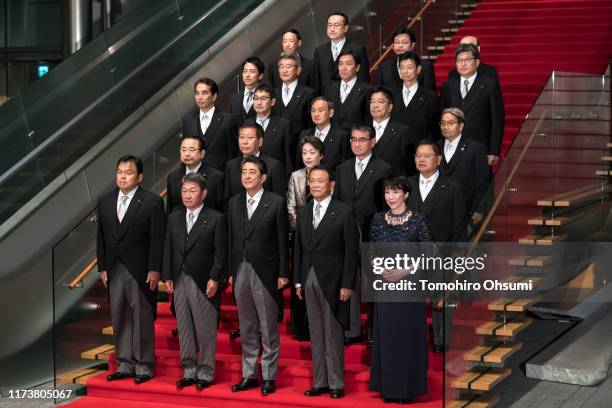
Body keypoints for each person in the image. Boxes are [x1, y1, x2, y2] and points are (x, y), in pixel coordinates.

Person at [97, 155, 165, 384]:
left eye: (128, 172)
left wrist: (155, 268)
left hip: (141, 269)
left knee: (142, 318)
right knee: (120, 317)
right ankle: (124, 363)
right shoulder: (105, 201)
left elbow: (158, 239)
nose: (123, 177)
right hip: (114, 269)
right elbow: (101, 238)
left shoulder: (152, 201)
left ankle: (144, 365)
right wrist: (102, 266)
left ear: (140, 177)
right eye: (119, 172)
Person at [294, 165, 359, 400]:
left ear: (331, 185)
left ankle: (336, 383)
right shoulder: (304, 212)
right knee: (316, 332)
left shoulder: (343, 211)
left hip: (334, 281)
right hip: (308, 278)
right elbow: (299, 250)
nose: (316, 184)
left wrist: (347, 284)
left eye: (321, 180)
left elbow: (351, 252)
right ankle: (320, 381)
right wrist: (298, 282)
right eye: (312, 180)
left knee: (332, 333)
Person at [227, 156, 289, 395]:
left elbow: (283, 241)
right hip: (241, 269)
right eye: (244, 171)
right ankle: (249, 374)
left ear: (263, 177)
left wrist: (283, 273)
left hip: (266, 271)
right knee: (247, 325)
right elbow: (232, 239)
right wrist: (232, 271)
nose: (246, 176)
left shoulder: (275, 202)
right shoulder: (234, 202)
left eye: (252, 172)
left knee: (267, 326)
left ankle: (269, 377)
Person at [368, 176, 433, 403]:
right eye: (387, 192)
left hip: (409, 287)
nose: (391, 197)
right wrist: (381, 269)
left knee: (406, 338)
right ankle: (388, 389)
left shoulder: (417, 221)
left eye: (395, 192)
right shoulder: (377, 220)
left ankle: (406, 389)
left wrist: (404, 271)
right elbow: (372, 251)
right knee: (387, 337)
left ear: (406, 194)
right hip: (385, 287)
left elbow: (430, 255)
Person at [162, 172, 227, 390]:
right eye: (184, 191)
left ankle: (206, 373)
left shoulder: (216, 218)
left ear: (204, 193)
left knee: (205, 329)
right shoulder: (174, 217)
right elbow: (168, 249)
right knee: (185, 328)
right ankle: (189, 370)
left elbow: (221, 253)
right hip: (179, 278)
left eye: (193, 191)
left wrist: (215, 278)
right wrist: (167, 276)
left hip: (203, 280)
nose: (187, 195)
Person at [407, 140, 468, 352]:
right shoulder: (406, 185)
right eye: (418, 156)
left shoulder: (453, 188)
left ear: (438, 159)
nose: (421, 159)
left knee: (440, 298)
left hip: (442, 253)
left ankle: (441, 340)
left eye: (426, 155)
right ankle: (414, 337)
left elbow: (459, 224)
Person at [334, 124, 390, 344]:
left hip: (372, 236)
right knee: (349, 282)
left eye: (362, 140)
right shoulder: (342, 168)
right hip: (347, 235)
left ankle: (374, 333)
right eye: (353, 140)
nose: (357, 144)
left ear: (372, 142)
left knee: (372, 287)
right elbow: (337, 203)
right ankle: (352, 330)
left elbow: (385, 205)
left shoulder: (383, 168)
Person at [440, 43, 505, 166]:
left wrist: (494, 151)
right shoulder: (448, 85)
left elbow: (497, 120)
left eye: (467, 60)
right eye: (459, 60)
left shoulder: (489, 85)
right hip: (451, 147)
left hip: (480, 147)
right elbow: (441, 116)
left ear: (477, 62)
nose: (463, 64)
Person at [286, 137, 325, 341]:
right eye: (304, 152)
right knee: (300, 280)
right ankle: (300, 328)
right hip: (300, 236)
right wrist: (302, 230)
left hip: (323, 238)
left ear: (321, 155)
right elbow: (291, 206)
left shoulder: (327, 175)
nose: (308, 156)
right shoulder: (296, 176)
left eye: (312, 152)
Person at [438, 108, 489, 225]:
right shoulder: (434, 147)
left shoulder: (475, 148)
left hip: (465, 210)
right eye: (443, 123)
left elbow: (483, 181)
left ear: (461, 126)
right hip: (438, 209)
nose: (445, 126)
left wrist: (479, 208)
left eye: (450, 123)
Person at [181, 77, 239, 172]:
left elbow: (232, 154)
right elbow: (183, 151)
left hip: (219, 177)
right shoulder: (188, 120)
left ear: (214, 96)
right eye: (197, 93)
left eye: (204, 93)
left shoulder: (228, 120)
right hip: (193, 177)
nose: (199, 97)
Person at [224, 121, 286, 202]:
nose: (245, 142)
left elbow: (279, 202)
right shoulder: (231, 166)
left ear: (260, 142)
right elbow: (227, 201)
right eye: (241, 137)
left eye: (249, 138)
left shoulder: (274, 166)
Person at [313, 12, 369, 95]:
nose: (332, 29)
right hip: (326, 100)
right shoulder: (320, 51)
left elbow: (363, 78)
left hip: (350, 98)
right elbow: (317, 80)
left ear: (345, 28)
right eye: (329, 25)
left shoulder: (357, 49)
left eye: (336, 25)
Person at [166, 136, 224, 213]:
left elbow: (221, 208)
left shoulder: (216, 177)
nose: (187, 154)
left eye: (191, 150)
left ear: (202, 153)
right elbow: (170, 209)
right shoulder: (172, 177)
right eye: (183, 150)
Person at [390, 51, 439, 142]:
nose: (405, 71)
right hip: (396, 147)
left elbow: (434, 129)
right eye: (402, 68)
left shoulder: (430, 97)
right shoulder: (391, 95)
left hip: (420, 150)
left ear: (418, 69)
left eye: (409, 67)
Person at [273, 52, 316, 152]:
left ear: (298, 70)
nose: (284, 70)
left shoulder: (308, 93)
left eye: (288, 66)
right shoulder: (273, 93)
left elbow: (311, 125)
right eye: (281, 66)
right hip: (276, 147)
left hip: (299, 147)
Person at [369, 86, 413, 177]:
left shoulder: (402, 132)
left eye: (380, 102)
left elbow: (408, 166)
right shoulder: (361, 129)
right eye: (372, 101)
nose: (375, 105)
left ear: (390, 107)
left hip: (392, 186)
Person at [296, 97, 349, 171]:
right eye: (313, 111)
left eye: (320, 110)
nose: (316, 114)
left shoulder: (342, 136)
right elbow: (299, 164)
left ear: (331, 113)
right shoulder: (304, 134)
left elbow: (345, 166)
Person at [376, 27, 436, 92]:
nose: (400, 46)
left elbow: (430, 94)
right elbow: (379, 92)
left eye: (404, 42)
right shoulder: (384, 66)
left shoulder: (425, 66)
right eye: (397, 42)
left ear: (412, 45)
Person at [324, 50, 371, 133]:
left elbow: (368, 119)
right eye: (340, 64)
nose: (343, 68)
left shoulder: (367, 89)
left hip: (355, 140)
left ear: (357, 67)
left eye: (348, 64)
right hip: (333, 140)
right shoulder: (330, 89)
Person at [253, 84, 294, 177]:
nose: (259, 102)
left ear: (272, 101)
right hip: (251, 177)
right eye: (256, 98)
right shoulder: (246, 124)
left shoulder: (284, 125)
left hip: (275, 176)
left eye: (263, 98)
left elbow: (288, 157)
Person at [229, 56, 265, 121]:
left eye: (252, 71)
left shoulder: (267, 96)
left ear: (260, 76)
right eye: (245, 71)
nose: (247, 75)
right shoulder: (234, 98)